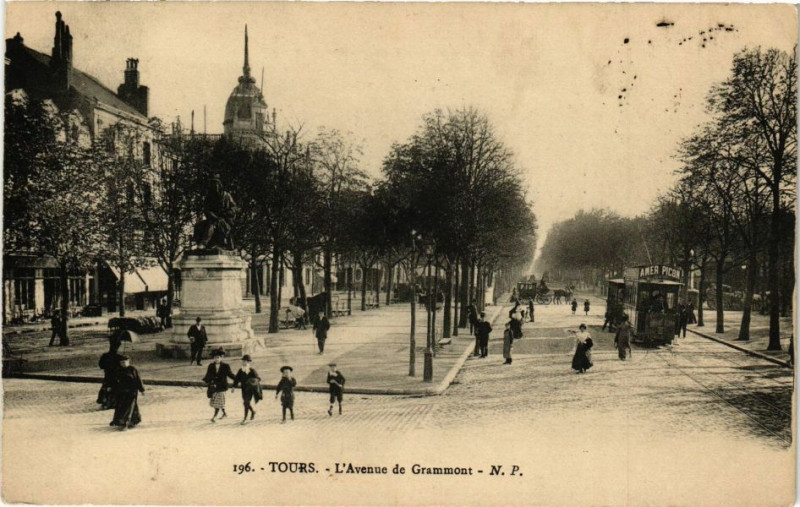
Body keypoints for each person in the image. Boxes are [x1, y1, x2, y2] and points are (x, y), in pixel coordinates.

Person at [110, 355, 145, 430]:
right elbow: (114, 381)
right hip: (121, 391)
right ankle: (119, 420)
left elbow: (138, 380)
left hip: (131, 392)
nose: (123, 364)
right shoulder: (118, 370)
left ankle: (126, 423)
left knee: (129, 407)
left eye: (124, 362)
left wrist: (142, 390)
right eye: (121, 362)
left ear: (128, 361)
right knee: (120, 406)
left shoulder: (133, 369)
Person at [203, 349, 235, 423]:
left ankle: (214, 417)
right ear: (213, 358)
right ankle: (224, 413)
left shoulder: (225, 366)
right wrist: (209, 381)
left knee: (218, 402)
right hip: (214, 387)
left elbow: (230, 374)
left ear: (221, 358)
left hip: (222, 386)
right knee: (218, 401)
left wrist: (237, 379)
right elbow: (208, 375)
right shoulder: (211, 366)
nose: (216, 359)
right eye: (215, 357)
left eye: (218, 357)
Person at [232, 355, 261, 425]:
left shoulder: (252, 370)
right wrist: (233, 387)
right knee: (245, 403)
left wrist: (252, 381)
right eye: (243, 361)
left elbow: (258, 378)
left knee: (246, 402)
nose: (243, 363)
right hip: (243, 389)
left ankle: (245, 418)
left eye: (245, 361)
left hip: (250, 390)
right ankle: (253, 411)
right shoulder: (240, 370)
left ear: (248, 362)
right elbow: (236, 379)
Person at [97, 335, 123, 410]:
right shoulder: (119, 357)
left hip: (108, 374)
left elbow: (101, 365)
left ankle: (105, 401)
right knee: (115, 388)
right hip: (116, 375)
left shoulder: (105, 356)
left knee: (107, 387)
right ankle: (112, 402)